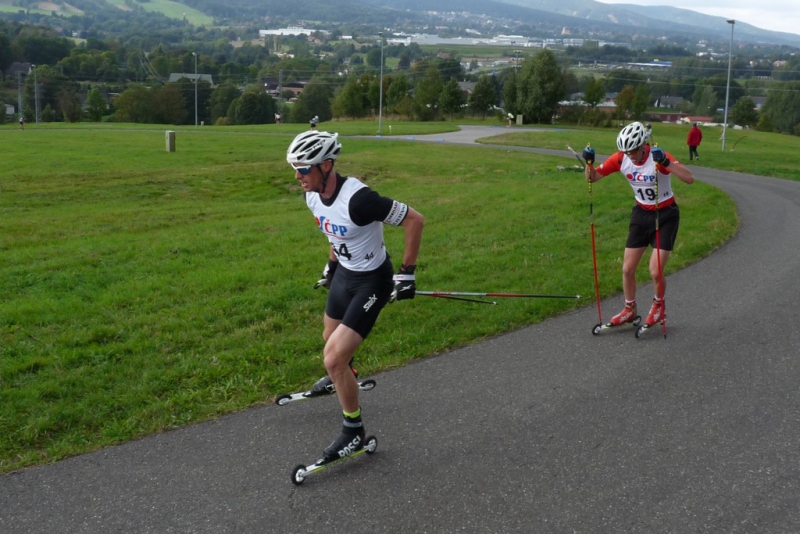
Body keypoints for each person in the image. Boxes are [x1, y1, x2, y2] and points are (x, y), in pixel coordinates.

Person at [286, 130, 424, 460]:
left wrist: (406, 273)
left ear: (326, 165)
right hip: (345, 274)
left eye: (303, 169)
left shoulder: (359, 199)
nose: (297, 177)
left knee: (333, 358)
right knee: (329, 337)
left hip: (372, 281)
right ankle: (346, 376)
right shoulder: (312, 195)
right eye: (295, 169)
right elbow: (334, 232)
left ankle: (354, 432)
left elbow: (414, 220)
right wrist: (331, 267)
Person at [583, 121, 694, 329]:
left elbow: (689, 178)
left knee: (655, 271)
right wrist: (588, 163)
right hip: (641, 215)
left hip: (665, 215)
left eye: (633, 151)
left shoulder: (658, 156)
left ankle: (658, 307)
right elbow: (593, 178)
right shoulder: (620, 158)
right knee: (627, 269)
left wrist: (666, 162)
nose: (630, 156)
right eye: (627, 152)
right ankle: (629, 309)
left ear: (643, 144)